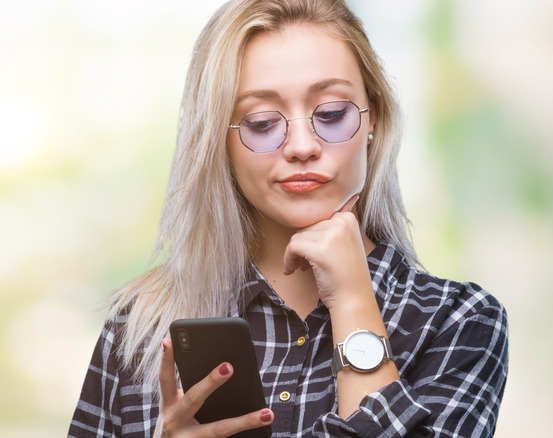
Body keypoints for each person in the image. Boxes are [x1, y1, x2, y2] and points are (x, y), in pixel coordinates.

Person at [68, 0, 509, 436]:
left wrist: (354, 301)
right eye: (261, 122)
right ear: (220, 140)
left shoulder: (459, 323)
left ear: (373, 118)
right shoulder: (141, 326)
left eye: (332, 114)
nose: (301, 145)